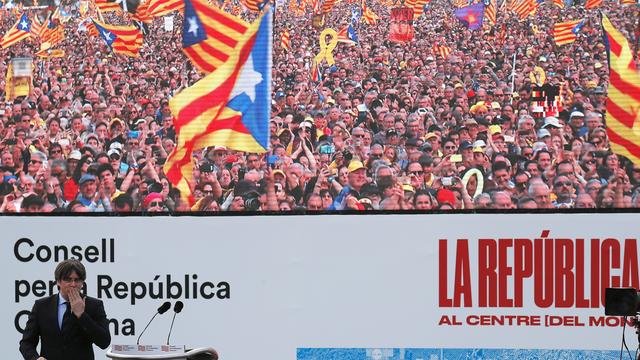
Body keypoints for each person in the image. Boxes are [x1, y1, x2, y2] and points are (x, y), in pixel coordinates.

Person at [20, 259, 111, 360]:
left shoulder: (94, 305)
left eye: (77, 280)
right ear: (58, 281)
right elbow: (26, 343)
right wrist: (35, 358)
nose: (73, 284)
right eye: (68, 279)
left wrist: (82, 315)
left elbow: (104, 342)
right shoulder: (41, 306)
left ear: (82, 282)